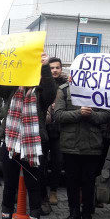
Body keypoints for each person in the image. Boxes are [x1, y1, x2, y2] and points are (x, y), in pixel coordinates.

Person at [0, 53, 56, 219]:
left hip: (33, 146)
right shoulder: (11, 90)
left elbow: (51, 92)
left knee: (34, 187)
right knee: (10, 184)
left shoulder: (41, 93)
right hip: (11, 143)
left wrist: (46, 66)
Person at [54, 81, 110, 219]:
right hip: (70, 145)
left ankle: (87, 216)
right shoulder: (64, 90)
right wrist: (79, 113)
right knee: (71, 181)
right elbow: (58, 115)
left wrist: (91, 114)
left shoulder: (102, 89)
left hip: (92, 145)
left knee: (89, 182)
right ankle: (73, 214)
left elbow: (107, 115)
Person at [45, 57, 67, 205]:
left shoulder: (66, 86)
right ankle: (42, 192)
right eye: (52, 68)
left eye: (57, 67)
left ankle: (53, 191)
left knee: (57, 162)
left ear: (61, 69)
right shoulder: (44, 82)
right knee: (40, 163)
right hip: (44, 129)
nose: (54, 70)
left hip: (59, 131)